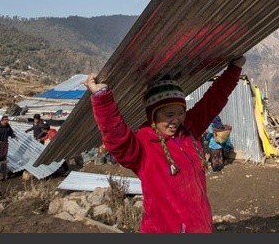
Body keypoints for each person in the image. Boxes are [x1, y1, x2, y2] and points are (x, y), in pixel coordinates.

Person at [85, 55, 246, 233]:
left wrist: (234, 70)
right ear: (153, 115)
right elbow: (117, 139)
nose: (176, 120)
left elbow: (213, 100)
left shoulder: (188, 131)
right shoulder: (145, 147)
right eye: (169, 115)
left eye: (180, 113)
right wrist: (102, 99)